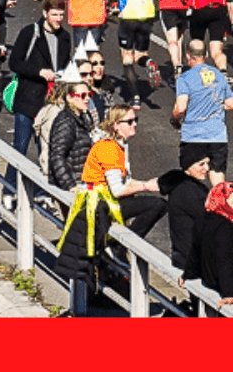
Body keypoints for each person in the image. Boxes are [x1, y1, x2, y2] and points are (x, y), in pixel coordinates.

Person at [56, 106, 165, 315]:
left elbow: (125, 180)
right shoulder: (109, 149)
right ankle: (117, 246)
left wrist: (145, 184)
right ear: (116, 126)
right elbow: (117, 188)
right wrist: (146, 187)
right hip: (101, 204)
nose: (135, 125)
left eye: (136, 120)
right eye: (130, 122)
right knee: (158, 205)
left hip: (101, 202)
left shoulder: (117, 145)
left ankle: (117, 248)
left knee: (152, 203)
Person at [7, 0, 71, 179]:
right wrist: (39, 72)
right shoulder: (30, 33)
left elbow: (66, 64)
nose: (59, 19)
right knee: (20, 146)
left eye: (61, 15)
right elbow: (15, 63)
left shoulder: (65, 37)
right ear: (45, 13)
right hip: (28, 99)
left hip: (50, 102)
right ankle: (9, 188)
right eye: (54, 15)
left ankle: (43, 193)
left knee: (46, 150)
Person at [171, 39, 233, 185]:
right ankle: (223, 206)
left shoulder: (185, 78)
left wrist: (174, 119)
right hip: (217, 136)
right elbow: (230, 103)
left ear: (188, 56)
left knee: (191, 180)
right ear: (205, 54)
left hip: (194, 136)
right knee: (218, 183)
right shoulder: (218, 75)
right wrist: (216, 106)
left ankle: (193, 207)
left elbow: (180, 108)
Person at [161, 149, 210, 277]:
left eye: (207, 164)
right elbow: (212, 219)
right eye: (201, 164)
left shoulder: (186, 186)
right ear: (188, 165)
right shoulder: (188, 191)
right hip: (192, 259)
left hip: (186, 256)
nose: (207, 168)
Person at [184, 180, 233, 306]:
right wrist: (229, 293)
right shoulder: (226, 227)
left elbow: (194, 251)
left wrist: (188, 274)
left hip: (209, 279)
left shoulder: (203, 218)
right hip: (222, 283)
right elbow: (224, 260)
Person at [48, 79, 97, 194]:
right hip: (72, 184)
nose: (87, 99)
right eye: (83, 95)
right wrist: (70, 185)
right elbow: (57, 156)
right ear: (69, 98)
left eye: (89, 94)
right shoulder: (66, 121)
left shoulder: (83, 117)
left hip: (82, 181)